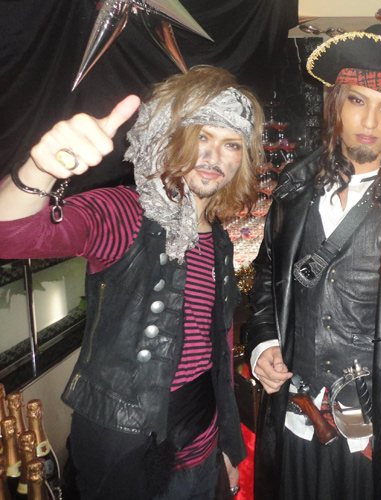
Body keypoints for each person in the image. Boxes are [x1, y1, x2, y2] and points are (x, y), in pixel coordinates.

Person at [0, 65, 265, 500]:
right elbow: (9, 235)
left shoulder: (217, 237)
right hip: (126, 451)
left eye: (231, 143)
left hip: (201, 448)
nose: (214, 156)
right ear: (170, 136)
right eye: (202, 135)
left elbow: (214, 355)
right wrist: (38, 170)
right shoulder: (127, 213)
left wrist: (226, 447)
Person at [242, 23, 381, 500]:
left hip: (380, 427)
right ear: (335, 105)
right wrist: (264, 342)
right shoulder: (293, 189)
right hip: (299, 414)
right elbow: (267, 274)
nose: (370, 120)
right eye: (357, 100)